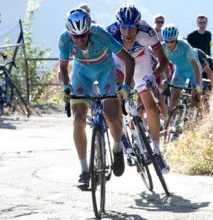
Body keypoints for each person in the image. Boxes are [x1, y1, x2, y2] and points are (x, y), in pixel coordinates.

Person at [59, 9, 135, 187]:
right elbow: (63, 67)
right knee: (78, 119)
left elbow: (128, 60)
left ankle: (117, 147)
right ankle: (84, 171)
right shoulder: (64, 39)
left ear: (89, 30)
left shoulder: (100, 33)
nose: (80, 40)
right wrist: (65, 86)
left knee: (110, 114)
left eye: (84, 35)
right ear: (70, 34)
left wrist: (125, 86)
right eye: (75, 37)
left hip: (104, 69)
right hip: (81, 71)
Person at [107, 4, 170, 173]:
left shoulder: (148, 32)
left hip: (141, 61)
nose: (128, 32)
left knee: (152, 108)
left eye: (132, 28)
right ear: (118, 26)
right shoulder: (110, 32)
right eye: (124, 28)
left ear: (138, 25)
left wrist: (154, 75)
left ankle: (157, 152)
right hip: (119, 61)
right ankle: (120, 136)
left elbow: (163, 60)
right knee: (115, 96)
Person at [162, 25, 202, 110]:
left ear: (176, 39)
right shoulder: (163, 47)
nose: (169, 44)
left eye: (172, 41)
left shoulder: (185, 46)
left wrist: (197, 83)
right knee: (173, 96)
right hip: (180, 71)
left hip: (193, 70)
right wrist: (167, 78)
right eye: (167, 41)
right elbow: (164, 65)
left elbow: (195, 66)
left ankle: (199, 118)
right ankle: (174, 121)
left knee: (195, 97)